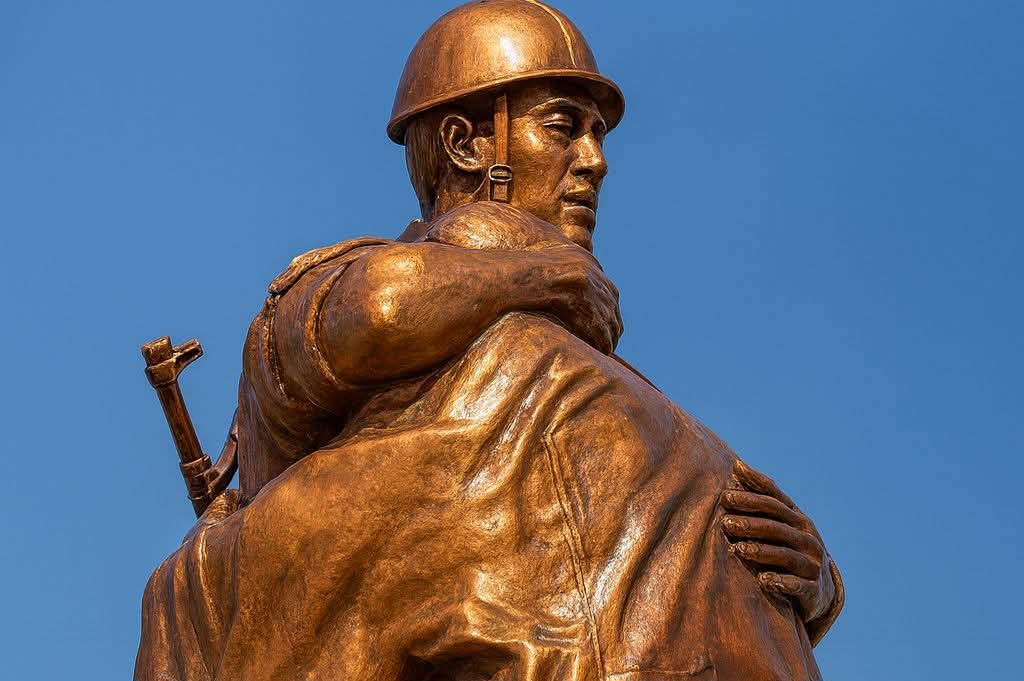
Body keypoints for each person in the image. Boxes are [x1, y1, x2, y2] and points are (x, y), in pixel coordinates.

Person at [136, 2, 843, 680]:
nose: (595, 160)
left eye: (598, 133)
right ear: (466, 143)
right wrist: (545, 274)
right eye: (563, 127)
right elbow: (374, 312)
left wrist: (812, 587)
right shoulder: (344, 280)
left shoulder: (594, 368)